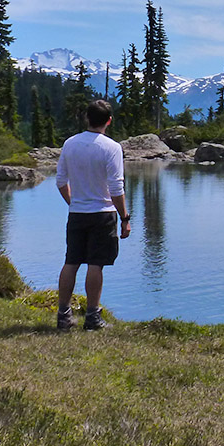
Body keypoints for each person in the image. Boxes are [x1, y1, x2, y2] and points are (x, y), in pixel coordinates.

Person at [55, 99, 131, 330]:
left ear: (87, 118)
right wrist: (125, 218)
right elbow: (116, 188)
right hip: (103, 214)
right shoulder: (112, 148)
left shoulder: (70, 144)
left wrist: (74, 202)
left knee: (71, 261)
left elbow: (60, 181)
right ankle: (92, 317)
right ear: (108, 121)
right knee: (95, 265)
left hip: (77, 213)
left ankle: (63, 315)